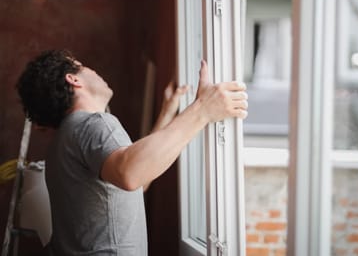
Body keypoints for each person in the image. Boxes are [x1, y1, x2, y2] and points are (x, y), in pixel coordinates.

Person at [16, 49, 248, 255]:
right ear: (73, 79)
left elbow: (135, 182)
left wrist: (168, 113)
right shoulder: (94, 123)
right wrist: (203, 111)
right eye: (86, 67)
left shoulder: (65, 138)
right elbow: (130, 173)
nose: (95, 72)